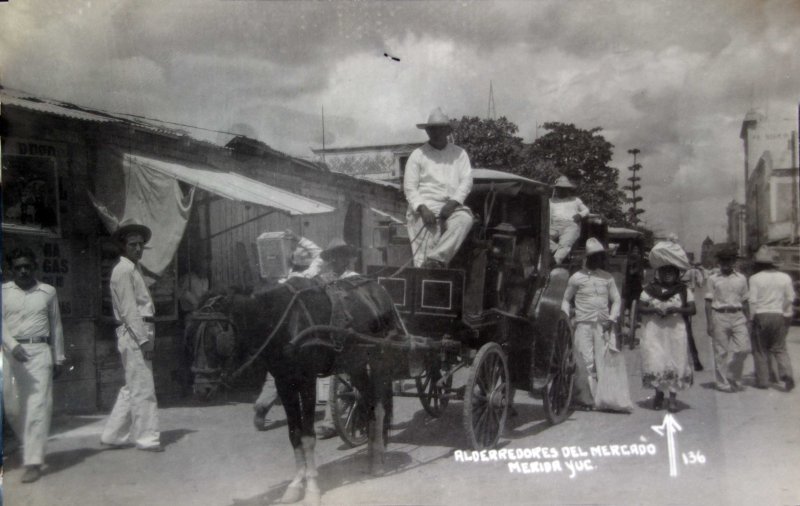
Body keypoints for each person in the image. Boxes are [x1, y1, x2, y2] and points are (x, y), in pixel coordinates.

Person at [2, 248, 66, 483]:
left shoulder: (47, 292)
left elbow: (56, 325)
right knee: (12, 407)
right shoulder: (3, 292)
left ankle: (34, 461)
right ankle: (28, 444)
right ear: (11, 269)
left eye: (27, 266)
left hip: (39, 353)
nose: (23, 271)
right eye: (18, 267)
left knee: (37, 407)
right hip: (10, 354)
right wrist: (10, 344)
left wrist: (58, 357)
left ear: (34, 267)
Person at [100, 219, 164, 452]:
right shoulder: (123, 270)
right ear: (123, 247)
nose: (138, 249)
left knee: (133, 384)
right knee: (143, 387)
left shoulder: (132, 269)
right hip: (136, 332)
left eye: (140, 245)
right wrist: (144, 340)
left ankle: (113, 435)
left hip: (142, 329)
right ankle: (147, 439)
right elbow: (129, 310)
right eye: (133, 244)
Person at [252, 229, 324, 432]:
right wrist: (300, 238)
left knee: (277, 373)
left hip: (282, 334)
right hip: (305, 331)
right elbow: (319, 252)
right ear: (308, 263)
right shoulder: (311, 275)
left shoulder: (282, 280)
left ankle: (263, 404)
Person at [403, 108, 474, 268]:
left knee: (465, 219)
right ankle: (426, 268)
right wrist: (422, 208)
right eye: (432, 129)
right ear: (427, 131)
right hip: (425, 208)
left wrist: (453, 203)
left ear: (448, 130)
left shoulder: (459, 154)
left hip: (452, 208)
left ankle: (436, 259)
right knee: (424, 249)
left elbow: (466, 181)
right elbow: (410, 187)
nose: (436, 133)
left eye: (440, 129)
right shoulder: (418, 155)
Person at [561, 238, 621, 409]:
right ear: (588, 258)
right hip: (583, 324)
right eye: (594, 257)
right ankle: (586, 399)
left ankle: (605, 399)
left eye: (600, 257)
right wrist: (567, 317)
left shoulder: (607, 278)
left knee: (603, 360)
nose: (598, 260)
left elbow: (616, 300)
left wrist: (612, 318)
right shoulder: (576, 278)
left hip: (603, 324)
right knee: (585, 361)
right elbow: (566, 299)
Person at [638, 241, 695, 413]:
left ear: (677, 273)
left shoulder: (683, 290)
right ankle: (658, 394)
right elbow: (639, 307)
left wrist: (677, 309)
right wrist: (653, 309)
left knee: (675, 361)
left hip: (675, 330)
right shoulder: (649, 290)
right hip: (654, 331)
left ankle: (672, 398)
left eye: (672, 271)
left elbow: (692, 309)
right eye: (665, 271)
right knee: (656, 361)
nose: (669, 274)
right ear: (659, 272)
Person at [748, 246, 796, 391]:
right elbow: (790, 297)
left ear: (759, 264)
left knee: (760, 349)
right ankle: (787, 374)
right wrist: (781, 309)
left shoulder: (755, 278)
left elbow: (752, 301)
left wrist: (751, 319)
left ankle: (763, 381)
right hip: (778, 315)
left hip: (761, 314)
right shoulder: (785, 277)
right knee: (779, 348)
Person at [704, 244, 750, 392]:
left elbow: (745, 300)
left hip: (738, 315)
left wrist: (748, 320)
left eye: (729, 260)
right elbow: (708, 302)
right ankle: (722, 383)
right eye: (723, 261)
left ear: (733, 262)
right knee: (721, 351)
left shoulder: (742, 278)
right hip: (719, 315)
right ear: (719, 262)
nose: (726, 264)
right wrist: (709, 323)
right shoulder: (712, 279)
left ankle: (734, 377)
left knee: (743, 349)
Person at [549, 175, 590, 265]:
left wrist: (580, 215)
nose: (561, 190)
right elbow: (548, 216)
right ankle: (557, 249)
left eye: (564, 188)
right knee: (542, 238)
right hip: (554, 225)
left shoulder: (575, 200)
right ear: (556, 189)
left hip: (571, 225)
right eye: (559, 188)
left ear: (568, 189)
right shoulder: (551, 201)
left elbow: (586, 210)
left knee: (566, 242)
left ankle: (555, 261)